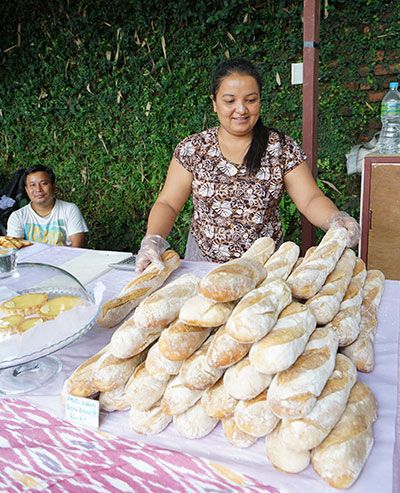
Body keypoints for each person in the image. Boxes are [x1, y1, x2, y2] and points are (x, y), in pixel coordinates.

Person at [135, 58, 360, 273]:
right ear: (214, 103)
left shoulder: (281, 148)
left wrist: (335, 219)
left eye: (250, 100)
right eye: (230, 101)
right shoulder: (194, 148)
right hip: (204, 267)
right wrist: (153, 240)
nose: (241, 109)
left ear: (260, 101)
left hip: (264, 268)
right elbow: (168, 203)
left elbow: (310, 199)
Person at [7, 165, 88, 247]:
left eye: (44, 184)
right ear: (27, 190)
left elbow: (77, 248)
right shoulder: (17, 217)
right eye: (32, 185)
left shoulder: (69, 210)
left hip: (67, 259)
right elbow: (14, 251)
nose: (38, 189)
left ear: (53, 186)